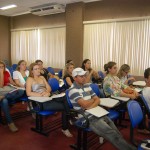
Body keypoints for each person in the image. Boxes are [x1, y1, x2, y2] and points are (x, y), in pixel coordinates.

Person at [68, 67, 136, 150]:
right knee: (112, 134)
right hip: (87, 118)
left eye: (84, 76)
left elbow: (97, 99)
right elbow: (85, 104)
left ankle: (123, 145)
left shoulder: (87, 86)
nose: (84, 78)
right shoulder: (73, 90)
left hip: (96, 112)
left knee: (116, 131)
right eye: (81, 76)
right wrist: (92, 100)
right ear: (75, 78)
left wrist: (91, 103)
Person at [26, 63, 72, 137]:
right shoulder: (30, 79)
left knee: (65, 97)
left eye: (39, 68)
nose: (38, 70)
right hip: (40, 102)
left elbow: (49, 88)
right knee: (65, 106)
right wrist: (41, 95)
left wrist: (47, 92)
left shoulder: (42, 77)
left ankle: (68, 120)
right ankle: (68, 121)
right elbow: (28, 93)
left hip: (48, 97)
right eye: (36, 69)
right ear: (32, 71)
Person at [0, 61, 24, 132]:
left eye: (2, 67)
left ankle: (4, 97)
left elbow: (12, 82)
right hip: (1, 90)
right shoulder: (2, 73)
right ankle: (10, 123)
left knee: (21, 91)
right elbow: (1, 85)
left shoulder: (6, 73)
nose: (1, 68)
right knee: (4, 101)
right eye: (0, 67)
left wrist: (16, 85)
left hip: (6, 91)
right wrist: (1, 74)